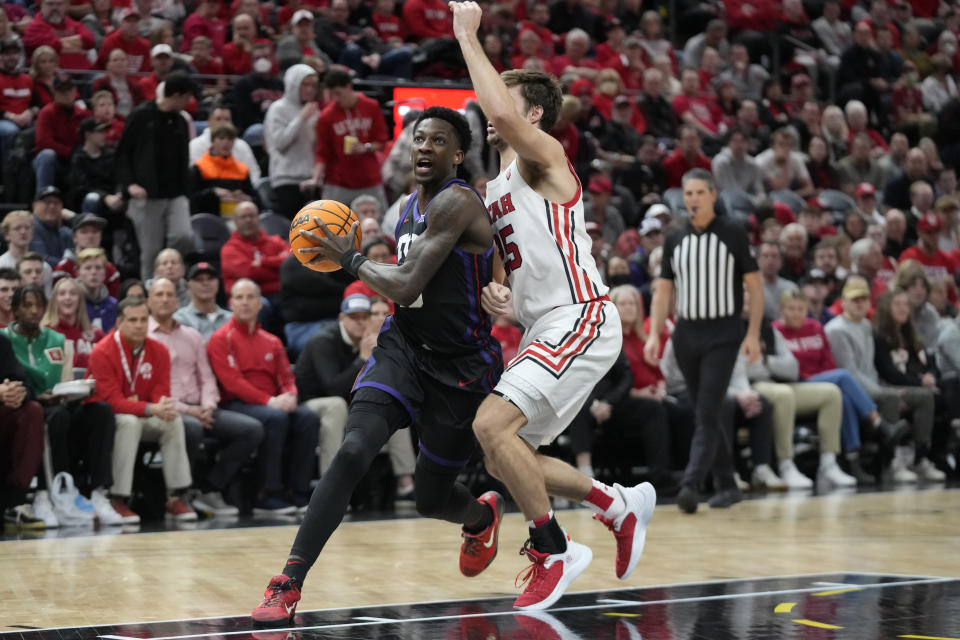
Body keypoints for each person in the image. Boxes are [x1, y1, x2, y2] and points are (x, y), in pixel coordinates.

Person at [251, 106, 506, 622]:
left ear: (459, 154)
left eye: (438, 141)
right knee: (352, 450)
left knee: (431, 498)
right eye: (419, 139)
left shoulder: (458, 202)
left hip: (461, 366)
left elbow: (407, 283)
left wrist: (350, 258)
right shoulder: (408, 204)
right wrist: (363, 262)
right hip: (403, 349)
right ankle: (288, 582)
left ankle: (481, 517)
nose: (425, 148)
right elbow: (405, 285)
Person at [453, 6, 655, 611]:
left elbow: (498, 112)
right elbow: (501, 277)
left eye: (507, 99)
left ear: (532, 112)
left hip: (582, 315)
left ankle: (553, 549)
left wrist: (467, 34)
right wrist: (496, 295)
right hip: (547, 324)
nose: (493, 111)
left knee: (490, 426)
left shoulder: (546, 157)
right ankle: (616, 505)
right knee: (507, 452)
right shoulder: (492, 192)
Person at [645, 167, 764, 514]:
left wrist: (753, 333)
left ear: (713, 195)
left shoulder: (733, 233)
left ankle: (691, 483)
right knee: (705, 411)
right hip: (686, 334)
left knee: (708, 409)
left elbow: (754, 288)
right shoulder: (674, 237)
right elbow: (663, 290)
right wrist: (654, 333)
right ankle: (727, 483)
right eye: (688, 193)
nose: (693, 199)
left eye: (700, 192)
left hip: (723, 333)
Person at [2, 284, 122, 525]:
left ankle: (99, 492)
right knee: (54, 416)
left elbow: (65, 380)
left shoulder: (57, 339)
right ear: (14, 310)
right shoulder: (4, 340)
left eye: (38, 305)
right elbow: (16, 380)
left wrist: (77, 389)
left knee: (101, 411)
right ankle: (47, 494)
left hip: (58, 403)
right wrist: (34, 395)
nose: (34, 311)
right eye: (27, 306)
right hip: (31, 407)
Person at [146, 278, 263, 517]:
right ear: (149, 301)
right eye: (159, 294)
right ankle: (179, 494)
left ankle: (209, 488)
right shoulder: (145, 336)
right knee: (191, 428)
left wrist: (208, 406)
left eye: (170, 294)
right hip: (169, 409)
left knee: (251, 430)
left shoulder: (191, 335)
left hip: (202, 408)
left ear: (178, 302)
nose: (165, 299)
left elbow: (207, 377)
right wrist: (189, 411)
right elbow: (152, 389)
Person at [207, 279, 319, 515]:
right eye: (239, 298)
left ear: (260, 304)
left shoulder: (272, 341)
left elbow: (287, 376)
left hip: (271, 403)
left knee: (308, 418)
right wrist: (270, 401)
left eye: (250, 297)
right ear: (231, 304)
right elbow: (232, 383)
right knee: (275, 418)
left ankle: (298, 491)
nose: (245, 302)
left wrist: (290, 395)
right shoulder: (220, 339)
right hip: (234, 404)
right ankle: (267, 493)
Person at [773, 288, 906, 484]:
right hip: (795, 383)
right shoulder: (776, 330)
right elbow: (785, 368)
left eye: (801, 309)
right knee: (843, 377)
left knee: (841, 396)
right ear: (782, 310)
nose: (796, 313)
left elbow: (828, 363)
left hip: (822, 382)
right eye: (791, 309)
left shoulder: (816, 327)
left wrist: (825, 378)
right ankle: (879, 423)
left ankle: (851, 461)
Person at [86, 296, 196, 524]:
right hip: (107, 418)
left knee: (172, 421)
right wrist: (151, 407)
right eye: (132, 320)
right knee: (129, 422)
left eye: (143, 320)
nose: (139, 325)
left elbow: (160, 390)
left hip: (144, 412)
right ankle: (118, 498)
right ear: (119, 323)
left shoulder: (159, 350)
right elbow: (112, 401)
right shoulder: (102, 351)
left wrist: (163, 406)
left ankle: (175, 496)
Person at [115, 70, 195, 280]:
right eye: (187, 97)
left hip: (176, 193)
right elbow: (122, 153)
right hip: (148, 195)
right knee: (150, 253)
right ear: (177, 96)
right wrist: (130, 184)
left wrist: (186, 191)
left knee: (183, 236)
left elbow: (183, 159)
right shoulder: (141, 115)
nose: (190, 101)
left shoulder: (180, 121)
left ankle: (173, 283)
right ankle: (151, 293)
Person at [872, 289, 946, 482]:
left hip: (914, 386)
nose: (903, 308)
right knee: (923, 396)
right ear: (886, 308)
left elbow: (929, 361)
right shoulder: (879, 336)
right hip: (887, 386)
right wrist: (920, 382)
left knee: (941, 393)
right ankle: (892, 463)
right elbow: (888, 372)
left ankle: (921, 458)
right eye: (897, 304)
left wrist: (930, 375)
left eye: (905, 304)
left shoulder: (910, 334)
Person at [309, 68, 389, 212]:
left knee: (380, 221)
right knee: (328, 221)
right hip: (338, 181)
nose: (336, 99)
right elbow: (322, 153)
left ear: (348, 87)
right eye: (332, 94)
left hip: (369, 179)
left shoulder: (371, 106)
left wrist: (366, 147)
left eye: (338, 93)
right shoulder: (326, 116)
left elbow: (382, 142)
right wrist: (315, 178)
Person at [0, 332, 45, 528]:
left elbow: (26, 384)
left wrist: (18, 394)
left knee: (32, 411)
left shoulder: (1, 344)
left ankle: (15, 502)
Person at [264, 64, 318, 220]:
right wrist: (301, 118)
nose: (310, 89)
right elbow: (280, 143)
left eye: (313, 86)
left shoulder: (313, 109)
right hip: (286, 179)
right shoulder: (277, 109)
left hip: (310, 179)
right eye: (305, 85)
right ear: (293, 85)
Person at [188, 123, 260, 217]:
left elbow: (257, 201)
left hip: (238, 219)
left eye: (230, 139)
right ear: (212, 141)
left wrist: (246, 198)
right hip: (210, 219)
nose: (226, 143)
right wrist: (213, 193)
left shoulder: (242, 169)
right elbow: (191, 200)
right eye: (221, 138)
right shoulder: (199, 167)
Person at [52, 213, 120, 297]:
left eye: (95, 231)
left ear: (101, 236)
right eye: (84, 231)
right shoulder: (62, 270)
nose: (90, 236)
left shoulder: (111, 271)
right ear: (74, 237)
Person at [42, 276, 103, 369]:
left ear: (80, 300)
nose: (68, 297)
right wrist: (93, 359)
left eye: (73, 293)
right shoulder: (46, 332)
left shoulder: (96, 333)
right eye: (62, 293)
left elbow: (108, 358)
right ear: (55, 300)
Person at [188, 104, 260, 182]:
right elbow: (194, 176)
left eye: (226, 119)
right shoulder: (195, 145)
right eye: (218, 119)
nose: (222, 123)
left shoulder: (242, 145)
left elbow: (254, 173)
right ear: (209, 121)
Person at [173, 262, 232, 342]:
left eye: (210, 278)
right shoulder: (179, 320)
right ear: (188, 286)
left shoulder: (231, 319)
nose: (205, 283)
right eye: (199, 279)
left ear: (218, 283)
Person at [0, 211, 54, 291]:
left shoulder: (44, 267)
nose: (23, 232)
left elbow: (47, 298)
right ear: (6, 234)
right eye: (17, 228)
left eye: (27, 228)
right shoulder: (1, 264)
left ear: (32, 232)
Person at [76, 248, 117, 331]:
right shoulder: (72, 303)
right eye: (88, 268)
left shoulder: (113, 305)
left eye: (98, 268)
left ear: (105, 273)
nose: (93, 272)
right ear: (78, 273)